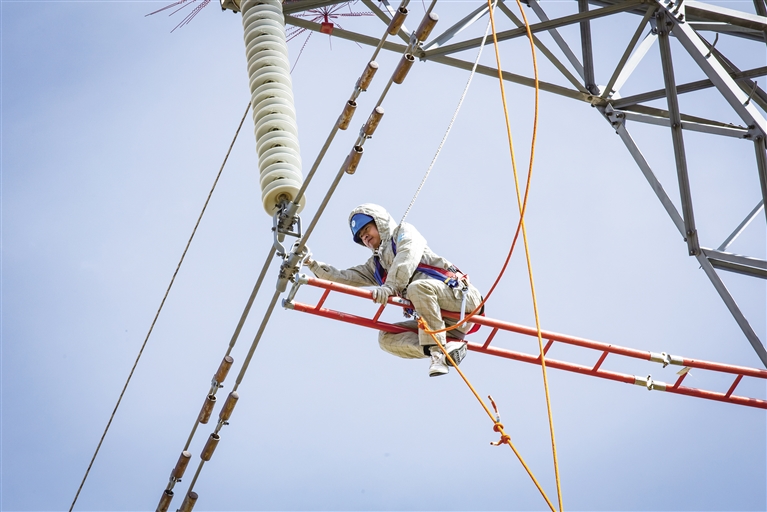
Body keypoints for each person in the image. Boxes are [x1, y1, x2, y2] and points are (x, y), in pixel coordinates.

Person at [305, 203, 482, 377]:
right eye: (360, 235)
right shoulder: (376, 266)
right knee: (386, 338)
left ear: (380, 223)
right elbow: (345, 277)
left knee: (417, 288)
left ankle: (438, 352)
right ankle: (444, 350)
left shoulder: (403, 232)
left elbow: (407, 255)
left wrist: (390, 287)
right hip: (443, 321)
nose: (365, 236)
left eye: (367, 229)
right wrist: (311, 264)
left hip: (461, 299)